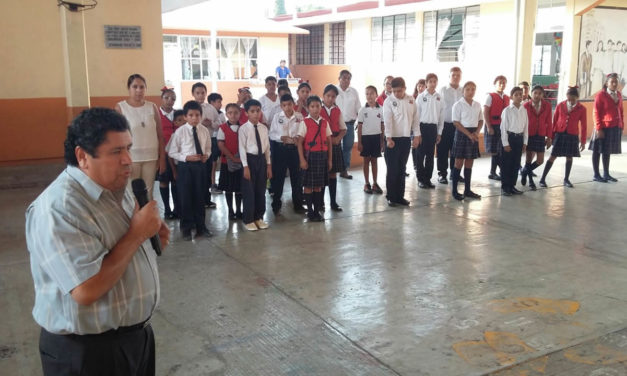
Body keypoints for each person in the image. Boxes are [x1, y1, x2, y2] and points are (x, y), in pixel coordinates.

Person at [26, 107, 169, 376]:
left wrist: (147, 237)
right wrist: (137, 234)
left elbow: (120, 246)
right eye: (116, 152)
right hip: (88, 354)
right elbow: (86, 289)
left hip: (134, 340)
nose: (128, 159)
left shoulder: (117, 186)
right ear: (83, 156)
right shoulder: (59, 208)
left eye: (129, 147)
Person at [167, 100, 213, 240]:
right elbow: (172, 152)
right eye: (191, 115)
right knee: (185, 197)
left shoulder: (204, 131)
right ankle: (186, 228)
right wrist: (186, 158)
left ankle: (201, 227)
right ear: (185, 117)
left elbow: (208, 149)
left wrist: (206, 156)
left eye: (197, 115)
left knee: (200, 196)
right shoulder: (179, 132)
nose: (194, 118)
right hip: (185, 167)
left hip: (200, 167)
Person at [115, 74, 166, 200]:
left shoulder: (152, 107)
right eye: (135, 87)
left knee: (148, 192)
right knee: (131, 193)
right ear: (129, 88)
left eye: (142, 87)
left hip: (151, 157)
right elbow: (116, 138)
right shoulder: (121, 108)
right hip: (131, 158)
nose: (138, 90)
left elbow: (160, 134)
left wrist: (162, 158)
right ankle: (133, 219)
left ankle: (146, 219)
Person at [539, 86, 587, 188]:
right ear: (567, 96)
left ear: (577, 97)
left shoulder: (582, 109)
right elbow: (554, 121)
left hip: (572, 135)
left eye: (574, 98)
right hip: (560, 134)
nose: (571, 100)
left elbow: (584, 126)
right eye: (569, 97)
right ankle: (542, 179)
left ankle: (566, 179)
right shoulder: (560, 105)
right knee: (553, 156)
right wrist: (550, 137)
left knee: (569, 157)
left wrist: (583, 141)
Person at [383, 77, 421, 207]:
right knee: (392, 169)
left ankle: (400, 196)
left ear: (405, 88)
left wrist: (416, 136)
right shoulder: (388, 101)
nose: (397, 93)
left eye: (399, 91)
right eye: (394, 91)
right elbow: (387, 121)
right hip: (392, 140)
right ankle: (391, 197)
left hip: (405, 139)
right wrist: (388, 138)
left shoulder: (411, 100)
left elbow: (416, 119)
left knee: (401, 168)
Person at [297, 95, 333, 222]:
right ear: (307, 108)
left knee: (318, 186)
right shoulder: (304, 123)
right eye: (312, 106)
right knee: (307, 186)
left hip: (322, 157)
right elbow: (300, 143)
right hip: (310, 156)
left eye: (318, 106)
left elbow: (329, 141)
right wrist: (302, 160)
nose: (315, 109)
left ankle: (317, 211)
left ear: (321, 107)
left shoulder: (324, 122)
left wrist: (329, 159)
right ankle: (310, 212)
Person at [239, 99, 272, 231]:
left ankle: (259, 217)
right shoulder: (243, 129)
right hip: (249, 160)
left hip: (261, 160)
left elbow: (267, 148)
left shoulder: (263, 128)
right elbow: (242, 149)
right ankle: (249, 219)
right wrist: (245, 166)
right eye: (252, 111)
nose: (256, 114)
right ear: (246, 113)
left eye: (258, 111)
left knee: (260, 190)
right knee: (249, 191)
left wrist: (269, 165)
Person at [270, 94, 305, 214]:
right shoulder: (276, 117)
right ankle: (276, 205)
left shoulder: (299, 116)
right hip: (281, 149)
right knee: (279, 178)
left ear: (293, 104)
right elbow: (271, 134)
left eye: (289, 104)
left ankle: (298, 204)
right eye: (284, 105)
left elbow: (303, 131)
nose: (287, 107)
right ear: (281, 106)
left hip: (295, 150)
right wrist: (281, 137)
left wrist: (298, 138)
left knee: (296, 178)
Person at [451, 81, 483, 201]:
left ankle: (467, 190)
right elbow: (456, 122)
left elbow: (481, 120)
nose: (471, 91)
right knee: (458, 163)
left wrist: (476, 132)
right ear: (463, 91)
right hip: (462, 134)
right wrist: (469, 134)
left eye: (473, 89)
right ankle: (454, 191)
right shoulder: (458, 105)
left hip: (473, 134)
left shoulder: (477, 104)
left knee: (469, 163)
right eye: (468, 89)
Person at [588, 73, 623, 182]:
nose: (614, 84)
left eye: (616, 82)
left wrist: (621, 125)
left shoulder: (619, 95)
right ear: (606, 83)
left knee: (607, 151)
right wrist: (599, 128)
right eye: (612, 82)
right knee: (597, 150)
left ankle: (606, 173)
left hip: (614, 127)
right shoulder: (601, 95)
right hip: (602, 127)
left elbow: (621, 111)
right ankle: (596, 174)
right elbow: (596, 112)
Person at [415, 73, 445, 189]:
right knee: (420, 155)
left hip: (433, 128)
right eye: (430, 81)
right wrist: (418, 133)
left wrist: (439, 132)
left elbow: (441, 116)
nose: (433, 83)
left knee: (430, 155)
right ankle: (420, 179)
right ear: (426, 83)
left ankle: (427, 179)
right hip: (422, 127)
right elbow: (416, 116)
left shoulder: (439, 97)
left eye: (435, 81)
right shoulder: (421, 97)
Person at [190, 82, 217, 209]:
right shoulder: (190, 108)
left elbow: (219, 123)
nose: (201, 95)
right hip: (194, 145)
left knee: (207, 173)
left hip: (209, 144)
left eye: (203, 93)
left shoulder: (211, 108)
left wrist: (211, 124)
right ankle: (196, 200)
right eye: (198, 93)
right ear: (193, 94)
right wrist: (201, 123)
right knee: (196, 175)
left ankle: (207, 199)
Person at [321, 84, 348, 211]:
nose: (330, 99)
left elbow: (344, 129)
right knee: (321, 175)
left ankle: (333, 202)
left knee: (332, 175)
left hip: (335, 143)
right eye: (328, 96)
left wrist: (338, 139)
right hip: (322, 144)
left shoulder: (337, 110)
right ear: (323, 96)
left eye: (333, 96)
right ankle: (320, 202)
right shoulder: (317, 109)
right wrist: (329, 139)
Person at [521, 85, 552, 190]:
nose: (537, 95)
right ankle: (531, 181)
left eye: (540, 93)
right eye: (535, 93)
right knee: (529, 159)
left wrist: (549, 137)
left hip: (541, 135)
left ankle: (525, 171)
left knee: (540, 160)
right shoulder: (525, 106)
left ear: (543, 95)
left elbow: (549, 122)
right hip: (529, 135)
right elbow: (523, 123)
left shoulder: (547, 105)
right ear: (532, 93)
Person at [499, 86, 528, 196]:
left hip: (519, 139)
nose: (519, 96)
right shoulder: (507, 110)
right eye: (516, 95)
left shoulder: (524, 110)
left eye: (521, 94)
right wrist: (505, 143)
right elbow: (503, 128)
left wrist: (525, 142)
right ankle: (505, 187)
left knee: (516, 163)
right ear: (511, 97)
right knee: (507, 163)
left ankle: (512, 186)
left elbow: (526, 128)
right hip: (510, 138)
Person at [217, 103, 244, 220]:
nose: (233, 115)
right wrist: (232, 158)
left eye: (236, 113)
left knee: (239, 188)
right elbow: (221, 145)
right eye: (230, 113)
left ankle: (239, 210)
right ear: (226, 114)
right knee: (228, 189)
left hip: (241, 162)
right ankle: (230, 211)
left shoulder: (243, 127)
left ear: (240, 114)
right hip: (226, 162)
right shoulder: (222, 128)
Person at [438, 67, 464, 184]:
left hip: (458, 126)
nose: (456, 77)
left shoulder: (463, 90)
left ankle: (455, 173)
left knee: (456, 150)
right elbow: (438, 107)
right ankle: (442, 174)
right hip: (445, 124)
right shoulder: (443, 90)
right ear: (449, 76)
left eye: (458, 75)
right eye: (453, 75)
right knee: (442, 150)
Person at [357, 85, 384, 194]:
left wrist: (382, 141)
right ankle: (367, 183)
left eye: (372, 93)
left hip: (376, 138)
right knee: (366, 161)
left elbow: (382, 126)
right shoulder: (362, 110)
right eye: (367, 93)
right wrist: (359, 142)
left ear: (376, 95)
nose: (369, 96)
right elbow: (359, 127)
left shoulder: (381, 109)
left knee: (374, 161)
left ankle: (375, 183)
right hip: (365, 138)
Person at [158, 87, 180, 219]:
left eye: (173, 99)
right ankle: (167, 209)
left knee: (176, 181)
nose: (169, 101)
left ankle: (177, 208)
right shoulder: (157, 115)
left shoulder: (178, 114)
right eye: (166, 98)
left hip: (177, 154)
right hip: (163, 153)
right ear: (161, 99)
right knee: (164, 180)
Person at [336, 69, 361, 179]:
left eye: (348, 78)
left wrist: (360, 122)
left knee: (348, 147)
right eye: (344, 78)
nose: (346, 80)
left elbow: (359, 109)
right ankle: (333, 169)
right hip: (336, 125)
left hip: (349, 125)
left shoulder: (354, 92)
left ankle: (344, 170)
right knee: (335, 147)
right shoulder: (334, 90)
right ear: (339, 79)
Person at [483, 75, 510, 181]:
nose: (502, 85)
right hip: (493, 125)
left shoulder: (507, 97)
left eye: (504, 82)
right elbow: (485, 111)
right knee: (494, 150)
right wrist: (489, 126)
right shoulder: (490, 96)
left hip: (503, 126)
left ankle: (495, 172)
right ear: (495, 84)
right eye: (500, 83)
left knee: (500, 150)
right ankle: (495, 172)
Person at [205, 93, 226, 196]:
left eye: (220, 102)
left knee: (219, 162)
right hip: (211, 139)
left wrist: (212, 124)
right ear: (211, 103)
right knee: (212, 164)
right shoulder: (205, 111)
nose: (220, 104)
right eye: (218, 102)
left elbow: (222, 125)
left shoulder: (221, 114)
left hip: (220, 140)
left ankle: (220, 183)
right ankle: (212, 184)